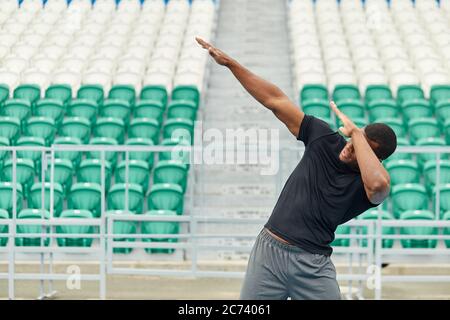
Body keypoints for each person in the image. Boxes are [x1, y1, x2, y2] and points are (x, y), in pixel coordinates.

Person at [196, 37, 397, 300]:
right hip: (270, 252)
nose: (350, 145)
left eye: (362, 146)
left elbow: (380, 185)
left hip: (313, 265)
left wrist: (358, 135)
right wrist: (232, 64)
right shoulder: (325, 138)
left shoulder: (368, 187)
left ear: (374, 158)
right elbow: (275, 100)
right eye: (354, 137)